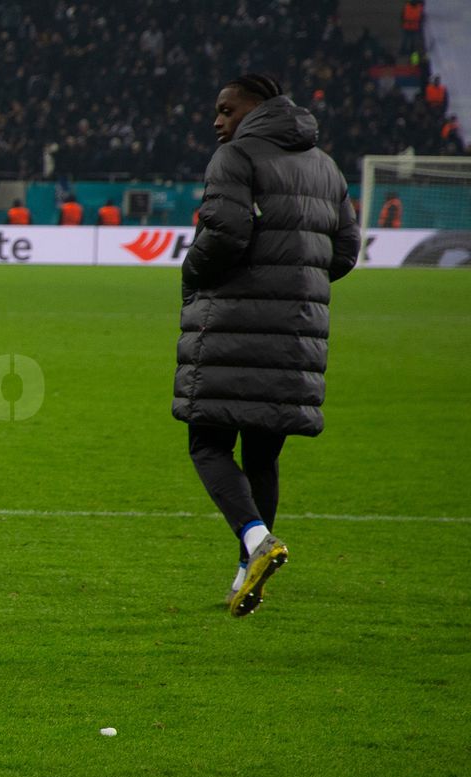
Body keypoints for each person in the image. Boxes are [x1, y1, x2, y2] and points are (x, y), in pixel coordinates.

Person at [174, 74, 359, 617]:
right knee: (262, 454)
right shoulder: (325, 166)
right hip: (295, 333)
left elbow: (226, 233)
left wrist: (192, 273)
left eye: (226, 110)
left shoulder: (237, 158)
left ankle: (257, 541)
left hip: (233, 325)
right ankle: (242, 576)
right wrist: (293, 284)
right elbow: (344, 251)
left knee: (207, 444)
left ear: (255, 108)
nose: (217, 122)